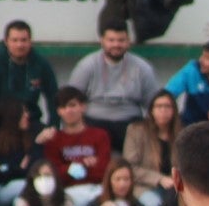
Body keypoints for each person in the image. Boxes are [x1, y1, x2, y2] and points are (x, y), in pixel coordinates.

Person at [68, 21, 159, 151]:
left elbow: (153, 103)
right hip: (94, 121)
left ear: (128, 41)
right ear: (102, 41)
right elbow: (71, 99)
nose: (116, 45)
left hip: (130, 122)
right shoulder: (86, 65)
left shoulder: (142, 68)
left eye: (121, 40)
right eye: (111, 40)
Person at [0, 20, 59, 133]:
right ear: (6, 41)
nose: (19, 45)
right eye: (15, 40)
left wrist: (53, 128)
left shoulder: (41, 65)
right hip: (0, 126)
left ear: (30, 41)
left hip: (31, 123)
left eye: (23, 40)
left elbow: (54, 98)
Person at [0, 97, 48, 206]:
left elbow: (32, 169)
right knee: (30, 187)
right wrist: (15, 169)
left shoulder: (27, 136)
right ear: (12, 116)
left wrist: (37, 144)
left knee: (23, 201)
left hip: (16, 188)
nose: (27, 116)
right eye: (23, 113)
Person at [43, 86, 111, 206]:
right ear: (58, 111)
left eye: (72, 105)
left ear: (83, 107)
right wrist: (82, 164)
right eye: (63, 107)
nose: (68, 110)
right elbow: (55, 174)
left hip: (98, 189)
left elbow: (103, 171)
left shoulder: (100, 135)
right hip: (68, 191)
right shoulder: (53, 139)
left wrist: (69, 168)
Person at [122, 89, 179, 206]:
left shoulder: (181, 133)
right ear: (151, 110)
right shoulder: (136, 130)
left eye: (167, 106)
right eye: (159, 106)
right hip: (144, 185)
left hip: (175, 187)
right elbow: (130, 167)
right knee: (154, 205)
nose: (163, 111)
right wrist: (159, 179)